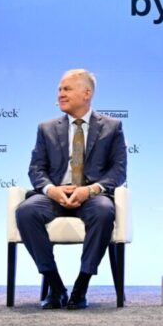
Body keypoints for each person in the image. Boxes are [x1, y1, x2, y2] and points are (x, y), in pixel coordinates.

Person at [15, 69, 127, 310]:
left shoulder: (112, 127)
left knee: (104, 212)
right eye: (59, 89)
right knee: (26, 211)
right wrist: (50, 190)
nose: (60, 94)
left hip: (92, 196)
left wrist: (91, 190)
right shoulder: (46, 128)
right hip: (55, 196)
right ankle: (55, 286)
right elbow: (36, 169)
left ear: (87, 93)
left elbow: (118, 171)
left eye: (67, 89)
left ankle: (81, 286)